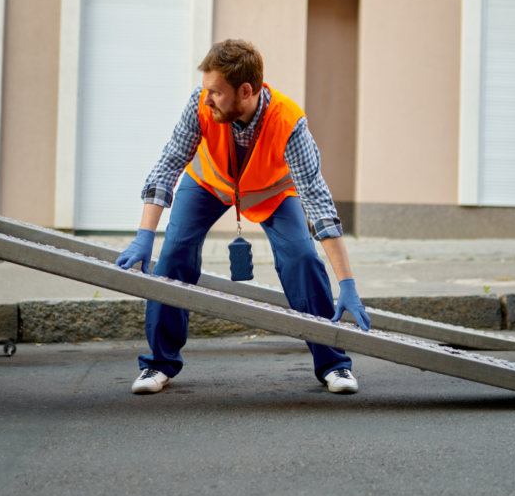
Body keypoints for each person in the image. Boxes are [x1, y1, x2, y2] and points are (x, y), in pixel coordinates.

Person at [115, 39, 372, 395]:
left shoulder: (289, 122)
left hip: (272, 192)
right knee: (173, 252)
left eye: (216, 92)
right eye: (206, 90)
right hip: (209, 182)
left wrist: (346, 284)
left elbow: (318, 201)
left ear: (246, 91)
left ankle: (333, 364)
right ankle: (159, 365)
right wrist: (145, 233)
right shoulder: (199, 104)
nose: (206, 99)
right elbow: (169, 163)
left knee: (302, 258)